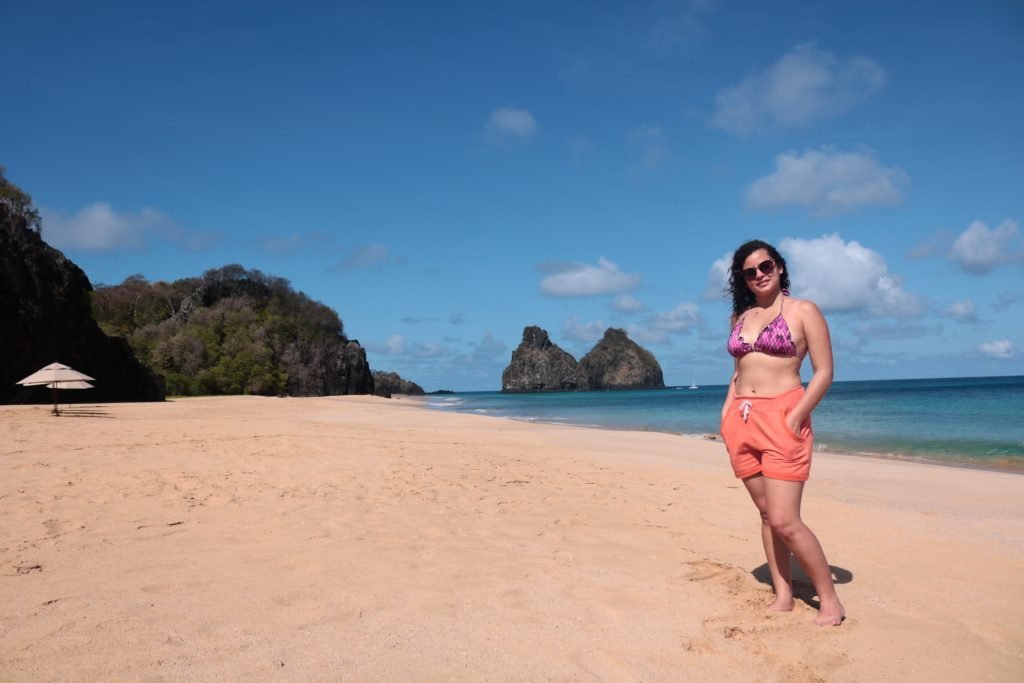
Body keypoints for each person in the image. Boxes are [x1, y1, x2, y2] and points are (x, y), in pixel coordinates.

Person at [719, 239, 845, 626]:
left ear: (780, 267)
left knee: (785, 519)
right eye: (750, 271)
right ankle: (784, 593)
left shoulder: (803, 310)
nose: (759, 274)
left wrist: (795, 417)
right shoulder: (739, 317)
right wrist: (725, 414)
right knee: (765, 514)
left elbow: (824, 372)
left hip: (782, 418)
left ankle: (830, 599)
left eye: (766, 266)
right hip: (741, 420)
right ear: (742, 278)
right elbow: (739, 371)